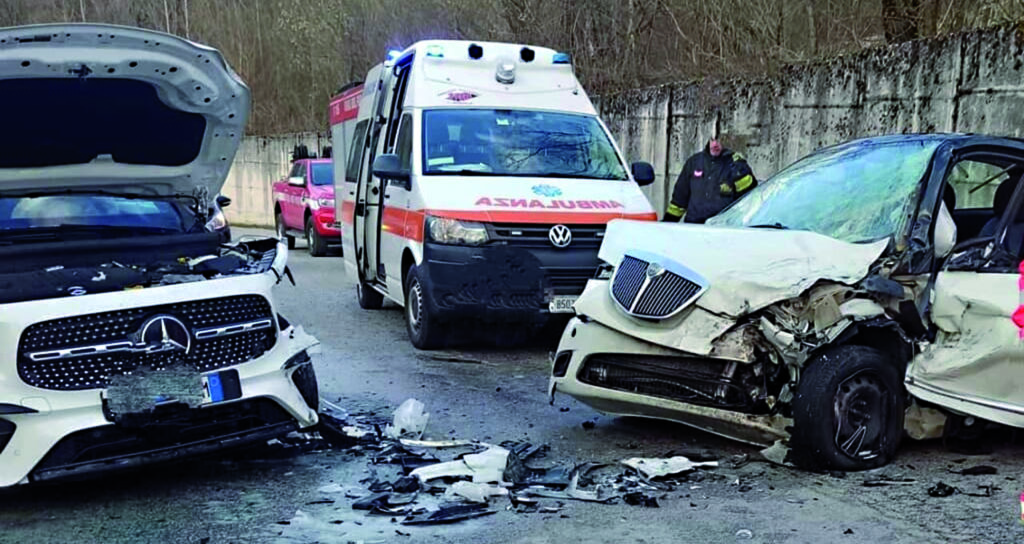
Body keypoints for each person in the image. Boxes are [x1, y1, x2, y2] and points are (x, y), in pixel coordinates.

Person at [663, 138, 757, 223]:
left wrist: (740, 172)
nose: (715, 144)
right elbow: (680, 199)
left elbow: (749, 196)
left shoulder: (735, 164)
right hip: (694, 227)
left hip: (723, 228)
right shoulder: (694, 163)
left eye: (719, 140)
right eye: (712, 140)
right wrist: (667, 223)